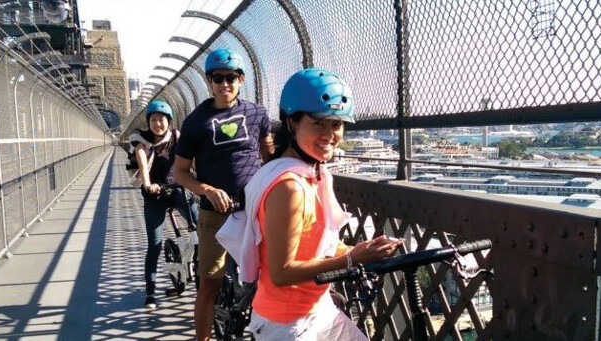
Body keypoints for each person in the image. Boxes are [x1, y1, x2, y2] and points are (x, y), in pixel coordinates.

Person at [224, 68, 401, 340]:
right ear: (292, 122)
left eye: (337, 124)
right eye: (319, 123)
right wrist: (352, 259)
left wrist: (357, 249)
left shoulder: (310, 173)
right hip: (288, 324)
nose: (329, 134)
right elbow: (282, 272)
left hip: (318, 309)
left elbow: (316, 246)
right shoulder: (290, 186)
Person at [173, 47, 273, 340]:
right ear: (209, 80)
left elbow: (269, 157)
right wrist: (206, 189)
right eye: (219, 77)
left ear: (241, 80)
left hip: (253, 210)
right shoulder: (195, 121)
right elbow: (180, 172)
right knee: (209, 285)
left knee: (265, 277)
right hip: (213, 215)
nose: (225, 83)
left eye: (232, 77)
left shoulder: (257, 113)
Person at [129, 100, 199, 309]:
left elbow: (192, 159)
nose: (157, 124)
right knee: (155, 244)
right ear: (148, 122)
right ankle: (150, 292)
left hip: (177, 189)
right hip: (155, 195)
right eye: (153, 120)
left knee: (200, 224)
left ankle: (199, 267)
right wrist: (148, 184)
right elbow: (141, 159)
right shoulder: (141, 140)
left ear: (169, 121)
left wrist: (202, 179)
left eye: (161, 120)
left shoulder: (177, 137)